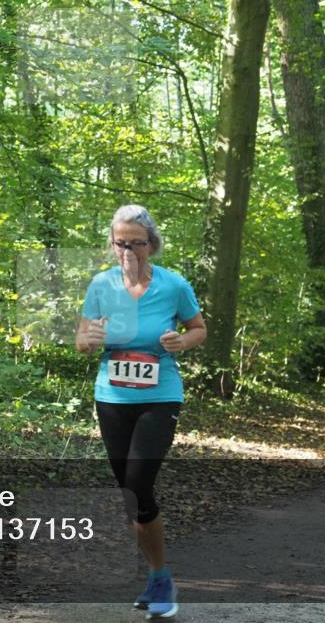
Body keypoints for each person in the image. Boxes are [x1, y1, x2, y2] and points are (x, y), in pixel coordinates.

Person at [75, 205, 206, 620]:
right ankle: (157, 576)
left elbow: (199, 328)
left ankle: (161, 578)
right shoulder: (101, 284)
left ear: (151, 243)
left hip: (160, 395)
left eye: (136, 242)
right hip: (112, 397)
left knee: (138, 481)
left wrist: (182, 343)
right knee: (132, 498)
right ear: (112, 243)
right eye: (121, 242)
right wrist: (90, 338)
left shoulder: (173, 285)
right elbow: (82, 339)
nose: (128, 250)